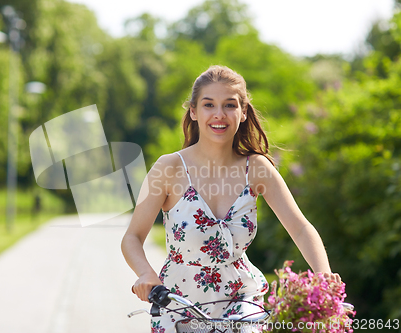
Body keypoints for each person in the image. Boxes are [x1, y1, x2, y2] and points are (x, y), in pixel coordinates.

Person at [121, 65, 341, 333]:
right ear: (193, 111)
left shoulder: (257, 168)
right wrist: (146, 275)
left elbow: (300, 227)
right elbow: (132, 237)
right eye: (209, 105)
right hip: (177, 305)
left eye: (229, 105)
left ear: (243, 111)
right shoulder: (169, 168)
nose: (219, 115)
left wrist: (324, 276)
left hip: (242, 301)